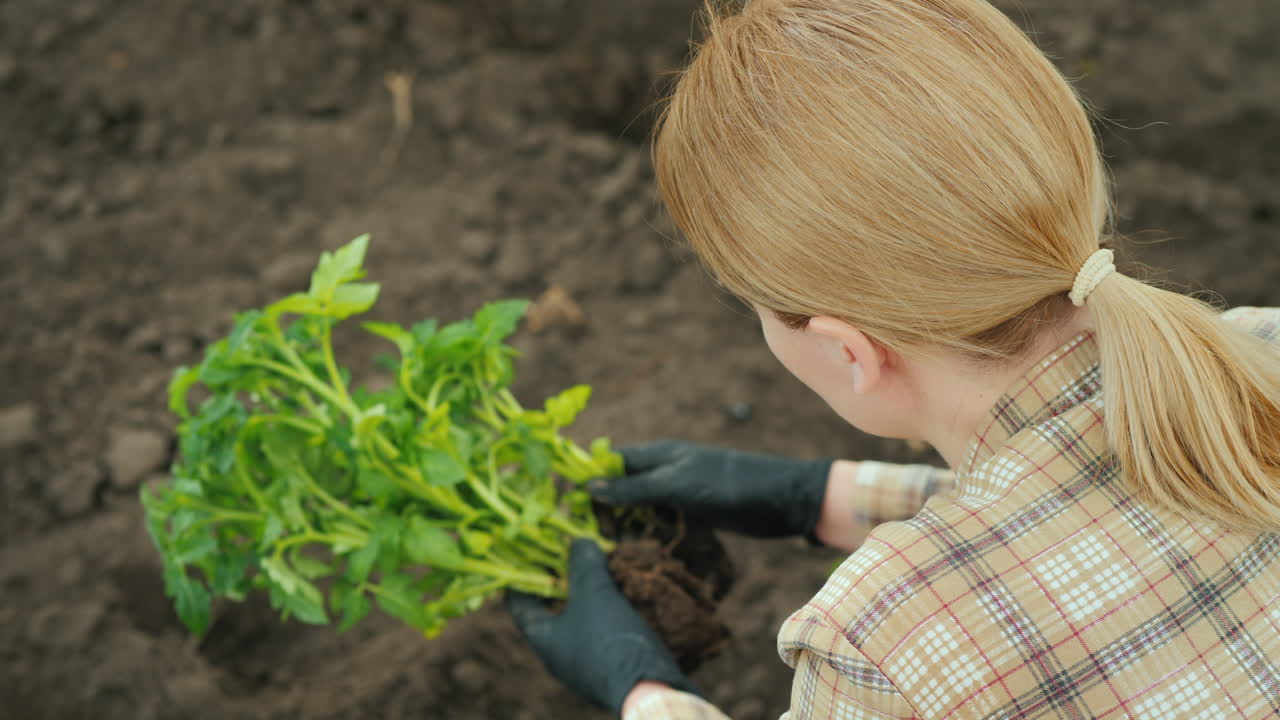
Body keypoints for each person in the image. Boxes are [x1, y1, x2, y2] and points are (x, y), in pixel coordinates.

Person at [506, 0, 1280, 717]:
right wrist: (825, 497)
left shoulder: (884, 649)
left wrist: (644, 691)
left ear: (850, 352)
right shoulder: (1257, 350)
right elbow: (1089, 518)